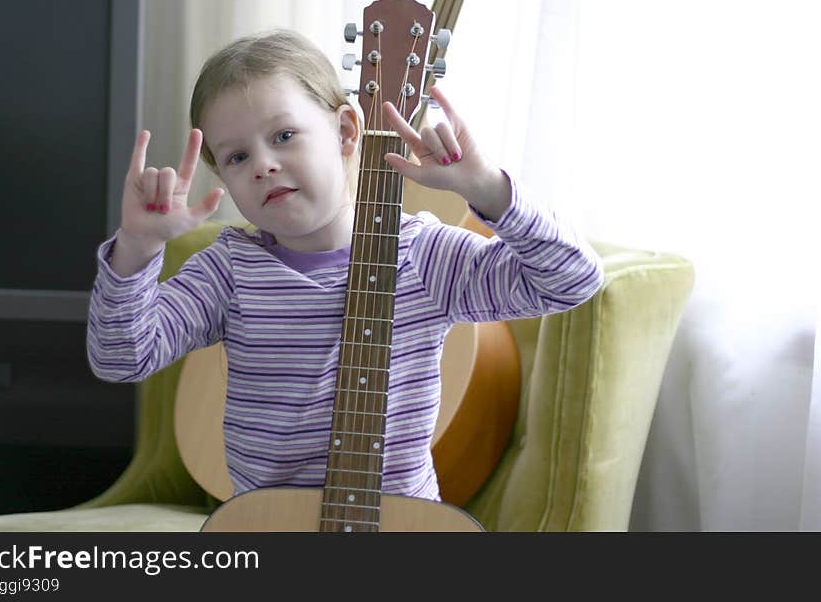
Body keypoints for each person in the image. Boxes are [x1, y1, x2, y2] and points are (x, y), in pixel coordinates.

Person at [87, 28, 603, 502]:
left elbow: (572, 281)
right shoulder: (227, 272)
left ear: (347, 131)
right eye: (237, 157)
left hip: (397, 522)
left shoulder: (422, 256)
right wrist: (137, 247)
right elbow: (121, 359)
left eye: (284, 135)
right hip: (269, 523)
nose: (264, 164)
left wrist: (488, 188)